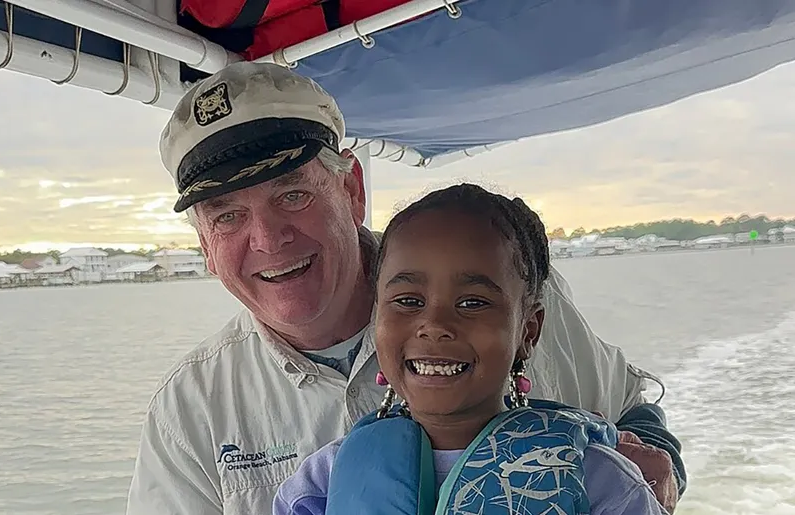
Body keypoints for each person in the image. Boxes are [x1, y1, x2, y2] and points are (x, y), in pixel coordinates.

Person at [125, 61, 684, 515]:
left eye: (292, 194)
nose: (268, 239)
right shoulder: (190, 412)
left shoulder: (513, 303)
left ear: (352, 188)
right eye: (226, 216)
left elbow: (630, 411)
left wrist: (653, 472)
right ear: (204, 244)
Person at [271, 184, 665, 515]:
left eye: (473, 303)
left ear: (529, 330)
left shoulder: (598, 479)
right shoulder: (323, 479)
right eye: (408, 301)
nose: (436, 326)